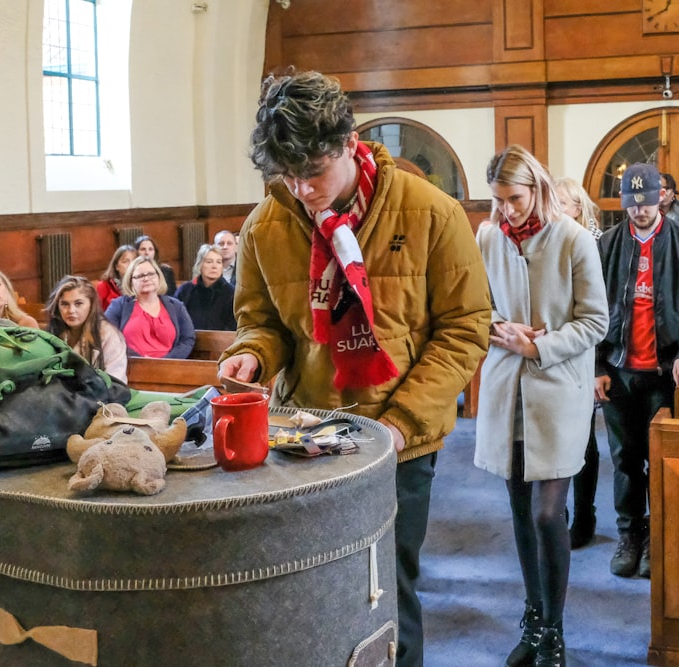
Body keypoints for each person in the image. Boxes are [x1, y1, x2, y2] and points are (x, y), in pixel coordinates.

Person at [216, 70, 490, 667]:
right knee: (309, 589)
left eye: (313, 172)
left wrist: (396, 425)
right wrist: (253, 354)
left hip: (401, 439)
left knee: (387, 587)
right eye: (286, 175)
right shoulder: (266, 224)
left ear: (347, 142)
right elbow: (262, 321)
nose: (302, 189)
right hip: (306, 435)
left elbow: (465, 329)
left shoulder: (430, 213)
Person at [475, 147, 608, 667]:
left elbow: (595, 321)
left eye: (515, 198)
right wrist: (496, 327)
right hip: (508, 389)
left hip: (558, 390)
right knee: (518, 510)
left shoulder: (573, 238)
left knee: (549, 512)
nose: (508, 210)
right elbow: (471, 306)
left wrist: (538, 346)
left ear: (537, 188)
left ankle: (554, 629)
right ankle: (533, 617)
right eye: (499, 200)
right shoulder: (488, 237)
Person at [596, 163, 679, 579]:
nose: (639, 211)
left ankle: (657, 536)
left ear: (660, 198)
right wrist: (598, 364)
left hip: (665, 372)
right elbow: (592, 312)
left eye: (646, 203)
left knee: (660, 460)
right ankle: (629, 533)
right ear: (623, 204)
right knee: (624, 459)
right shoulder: (608, 245)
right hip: (619, 370)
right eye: (631, 205)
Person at [553, 175, 603, 551]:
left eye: (562, 205)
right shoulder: (545, 243)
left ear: (579, 210)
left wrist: (602, 367)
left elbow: (603, 314)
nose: (554, 212)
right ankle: (557, 516)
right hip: (551, 355)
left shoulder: (595, 246)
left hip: (586, 356)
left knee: (583, 441)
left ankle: (584, 514)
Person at [105, 256, 195, 359]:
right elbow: (109, 338)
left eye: (151, 274)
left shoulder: (176, 306)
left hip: (170, 367)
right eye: (140, 276)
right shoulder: (119, 305)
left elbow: (187, 339)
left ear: (159, 277)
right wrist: (140, 360)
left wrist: (167, 361)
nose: (146, 279)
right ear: (131, 281)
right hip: (131, 366)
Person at [46, 275, 128, 383]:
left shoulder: (108, 335)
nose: (71, 310)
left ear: (91, 304)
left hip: (101, 396)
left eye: (78, 304)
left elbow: (115, 382)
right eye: (64, 304)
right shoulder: (53, 334)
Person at [174, 244, 237, 331]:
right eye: (209, 261)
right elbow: (176, 321)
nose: (214, 266)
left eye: (218, 262)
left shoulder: (231, 293)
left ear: (222, 267)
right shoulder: (185, 290)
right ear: (200, 265)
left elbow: (233, 327)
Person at [97, 245, 137, 311]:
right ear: (116, 266)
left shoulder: (143, 285)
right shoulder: (104, 285)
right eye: (125, 261)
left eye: (134, 261)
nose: (131, 265)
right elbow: (96, 313)